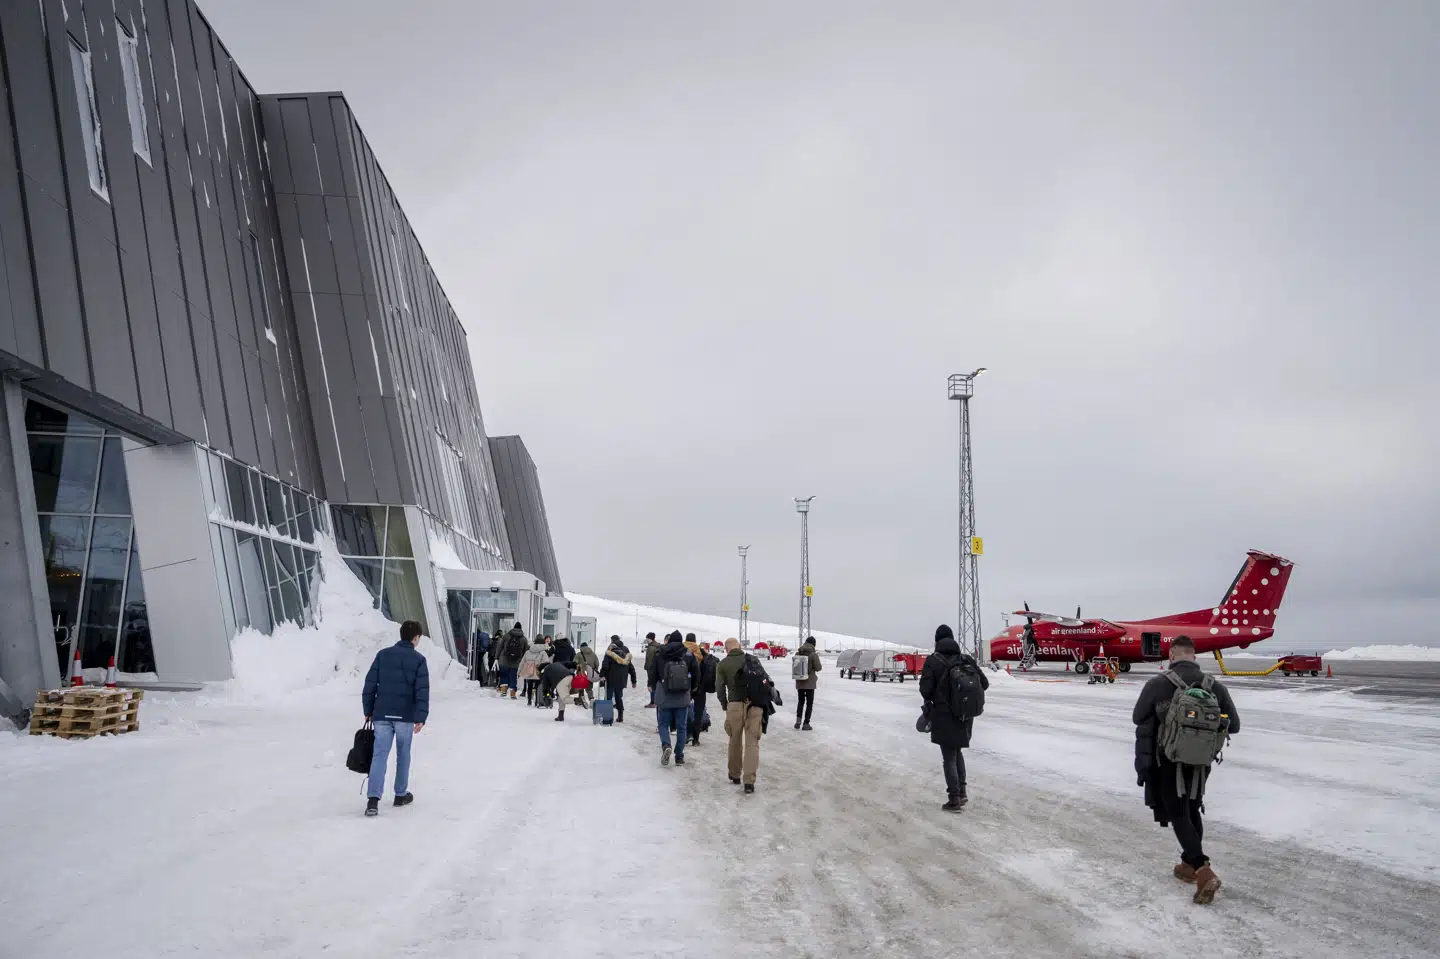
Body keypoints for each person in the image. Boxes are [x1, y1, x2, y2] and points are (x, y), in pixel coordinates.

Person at [1133, 635, 1241, 905]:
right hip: (1202, 761)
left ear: (1171, 656)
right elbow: (1235, 725)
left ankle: (1203, 869)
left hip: (1167, 759)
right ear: (1194, 657)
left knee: (1178, 811)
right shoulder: (1214, 685)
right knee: (1192, 808)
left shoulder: (1158, 683)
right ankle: (1188, 866)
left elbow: (1137, 716)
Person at [361, 621, 430, 817]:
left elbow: (370, 684)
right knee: (403, 753)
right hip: (405, 716)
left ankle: (373, 800)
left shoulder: (382, 655)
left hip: (382, 714)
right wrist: (421, 717)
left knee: (379, 755)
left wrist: (368, 709)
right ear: (415, 638)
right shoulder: (418, 660)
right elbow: (422, 691)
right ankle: (400, 794)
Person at [919, 624, 989, 812]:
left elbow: (925, 690)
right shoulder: (965, 659)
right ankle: (962, 792)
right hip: (965, 715)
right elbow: (985, 683)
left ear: (937, 641)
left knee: (949, 756)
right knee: (957, 751)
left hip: (944, 715)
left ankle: (954, 799)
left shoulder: (933, 661)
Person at [716, 637, 769, 794]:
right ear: (739, 646)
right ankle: (749, 782)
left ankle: (734, 775)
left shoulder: (723, 664)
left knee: (735, 740)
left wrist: (725, 704)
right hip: (755, 705)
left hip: (735, 705)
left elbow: (719, 688)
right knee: (752, 743)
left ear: (726, 649)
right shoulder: (753, 660)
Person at [646, 631, 699, 766]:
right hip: (683, 696)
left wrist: (652, 685)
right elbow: (697, 673)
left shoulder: (660, 653)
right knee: (682, 727)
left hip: (664, 694)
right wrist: (691, 689)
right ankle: (679, 756)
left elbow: (652, 671)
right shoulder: (688, 654)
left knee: (663, 724)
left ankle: (666, 745)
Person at [600, 635, 638, 723]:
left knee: (608, 697)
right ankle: (620, 716)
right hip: (622, 679)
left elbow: (605, 665)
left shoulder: (610, 651)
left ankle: (607, 718)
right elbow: (630, 666)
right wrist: (633, 680)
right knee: (618, 697)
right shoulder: (625, 651)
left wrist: (602, 675)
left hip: (611, 678)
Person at [793, 634, 823, 730]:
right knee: (809, 703)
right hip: (810, 683)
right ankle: (806, 723)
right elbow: (818, 668)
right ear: (813, 644)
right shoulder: (813, 654)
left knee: (800, 702)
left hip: (800, 681)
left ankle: (798, 720)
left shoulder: (798, 653)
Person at [496, 622, 528, 698]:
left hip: (504, 660)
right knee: (513, 676)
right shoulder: (524, 638)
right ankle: (512, 693)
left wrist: (496, 657)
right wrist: (523, 662)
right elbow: (525, 651)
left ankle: (504, 691)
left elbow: (499, 647)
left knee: (504, 675)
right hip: (516, 661)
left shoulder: (506, 636)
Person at [518, 635, 552, 706]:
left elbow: (522, 662)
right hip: (538, 671)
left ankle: (529, 700)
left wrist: (519, 671)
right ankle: (537, 701)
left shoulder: (528, 651)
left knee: (529, 685)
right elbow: (546, 662)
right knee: (537, 686)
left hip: (529, 671)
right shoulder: (543, 652)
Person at [642, 633, 659, 707]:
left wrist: (647, 668)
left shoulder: (651, 648)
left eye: (647, 638)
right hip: (657, 669)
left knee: (651, 685)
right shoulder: (657, 645)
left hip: (651, 669)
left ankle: (653, 702)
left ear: (650, 639)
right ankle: (655, 701)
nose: (647, 640)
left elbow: (649, 660)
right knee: (655, 685)